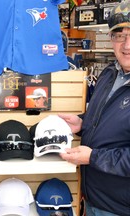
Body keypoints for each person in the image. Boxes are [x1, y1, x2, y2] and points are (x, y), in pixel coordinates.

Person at [58, 1, 130, 215]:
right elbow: (107, 119)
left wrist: (92, 158)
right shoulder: (110, 73)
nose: (126, 45)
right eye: (120, 35)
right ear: (111, 39)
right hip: (94, 199)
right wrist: (83, 123)